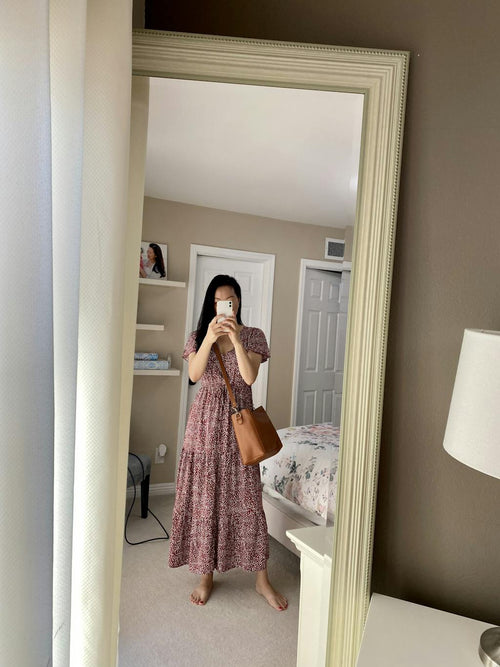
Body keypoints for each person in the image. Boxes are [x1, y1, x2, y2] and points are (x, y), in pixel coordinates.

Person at [168, 274, 288, 611]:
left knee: (249, 502)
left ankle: (262, 580)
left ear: (237, 303)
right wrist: (209, 337)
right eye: (219, 301)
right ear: (211, 304)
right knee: (205, 502)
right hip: (204, 427)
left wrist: (234, 339)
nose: (225, 306)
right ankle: (205, 576)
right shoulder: (197, 337)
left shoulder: (253, 336)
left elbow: (249, 377)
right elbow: (194, 375)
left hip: (239, 428)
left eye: (230, 301)